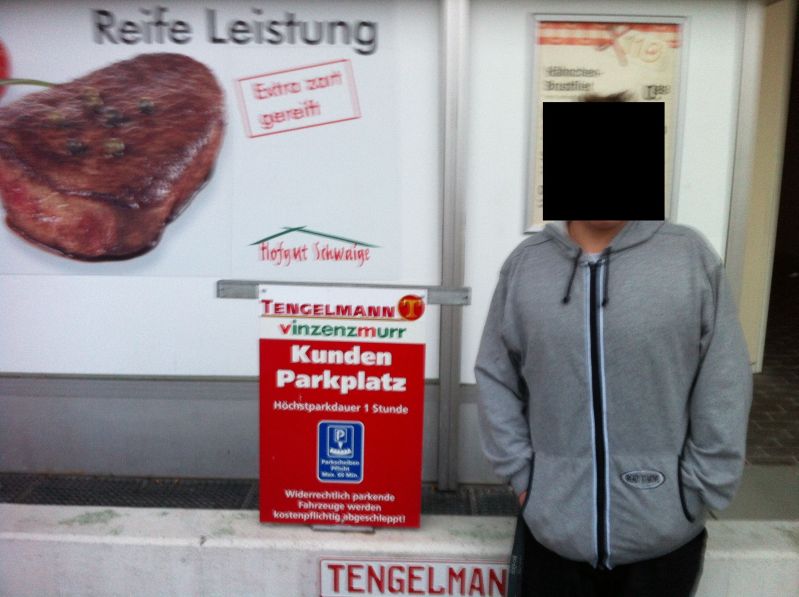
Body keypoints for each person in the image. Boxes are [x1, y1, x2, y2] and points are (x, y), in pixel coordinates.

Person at [475, 217, 752, 596]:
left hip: (664, 539)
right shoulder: (527, 265)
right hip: (553, 537)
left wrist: (700, 488)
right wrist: (524, 478)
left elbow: (724, 378)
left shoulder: (689, 258)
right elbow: (496, 374)